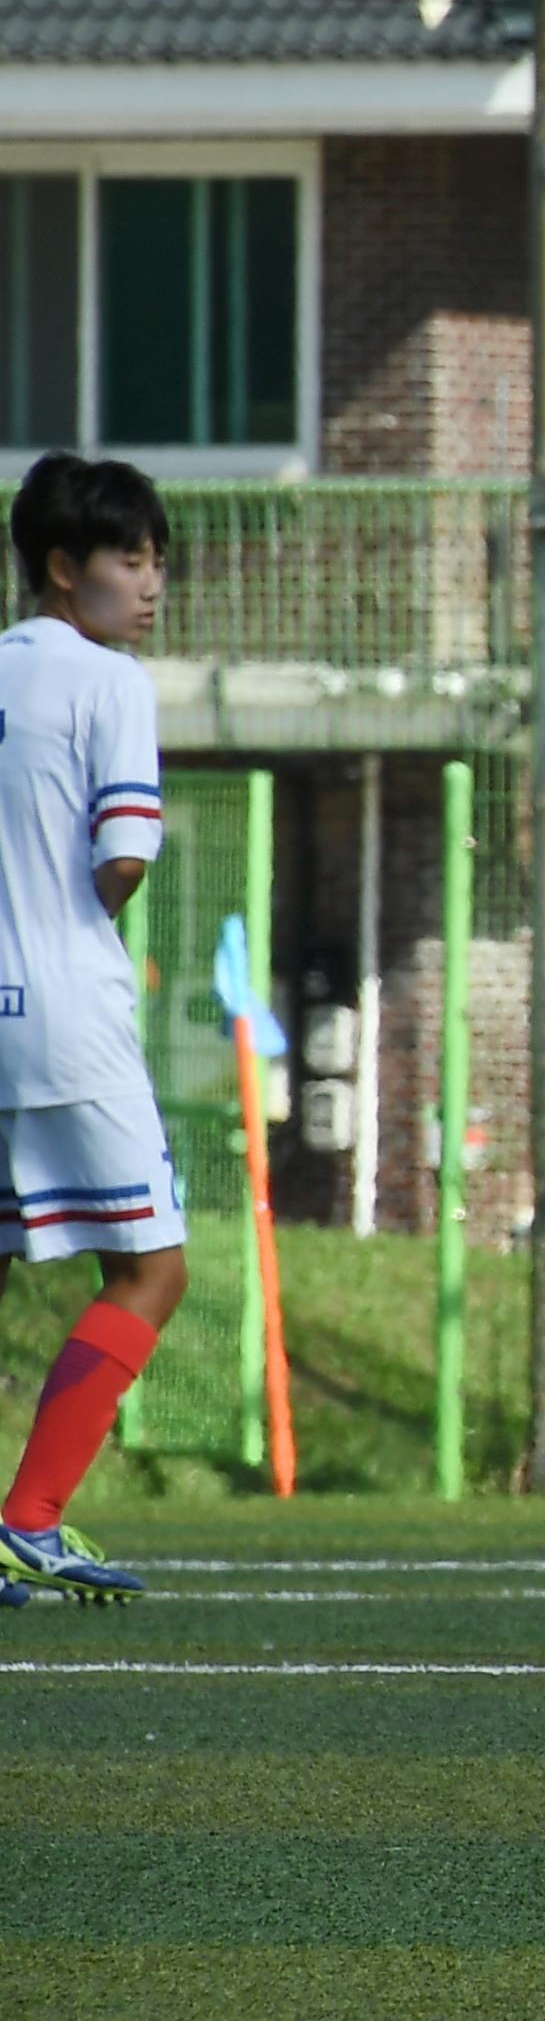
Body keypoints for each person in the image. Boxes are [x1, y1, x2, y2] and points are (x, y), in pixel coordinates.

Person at [0, 454, 183, 1604]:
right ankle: (29, 1516)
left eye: (158, 558)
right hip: (63, 1009)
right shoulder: (109, 680)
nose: (151, 582)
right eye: (130, 557)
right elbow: (120, 852)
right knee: (150, 1267)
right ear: (64, 568)